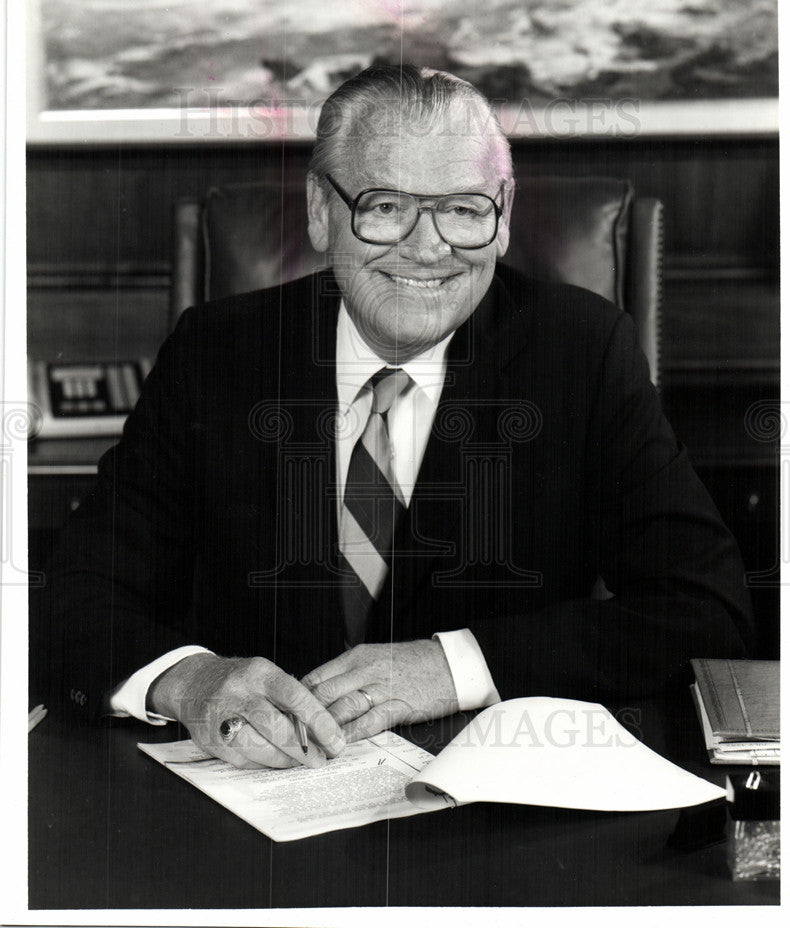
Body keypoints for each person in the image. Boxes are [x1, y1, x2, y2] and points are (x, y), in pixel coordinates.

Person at [37, 65, 752, 771]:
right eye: (385, 205)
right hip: (253, 792)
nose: (429, 246)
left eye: (465, 209)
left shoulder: (583, 353)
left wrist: (451, 667)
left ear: (503, 218)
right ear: (321, 211)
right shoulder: (216, 353)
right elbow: (76, 594)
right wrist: (189, 681)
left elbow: (705, 606)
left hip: (481, 817)